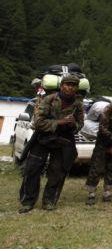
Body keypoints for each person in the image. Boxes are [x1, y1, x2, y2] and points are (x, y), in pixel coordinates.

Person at [19, 75, 84, 213]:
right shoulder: (50, 99)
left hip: (63, 141)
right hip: (43, 139)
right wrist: (60, 122)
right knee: (33, 170)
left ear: (77, 88)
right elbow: (38, 123)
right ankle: (28, 201)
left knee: (57, 172)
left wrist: (73, 124)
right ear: (62, 86)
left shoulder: (78, 104)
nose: (70, 87)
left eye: (73, 85)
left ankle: (49, 201)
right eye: (68, 84)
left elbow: (80, 124)